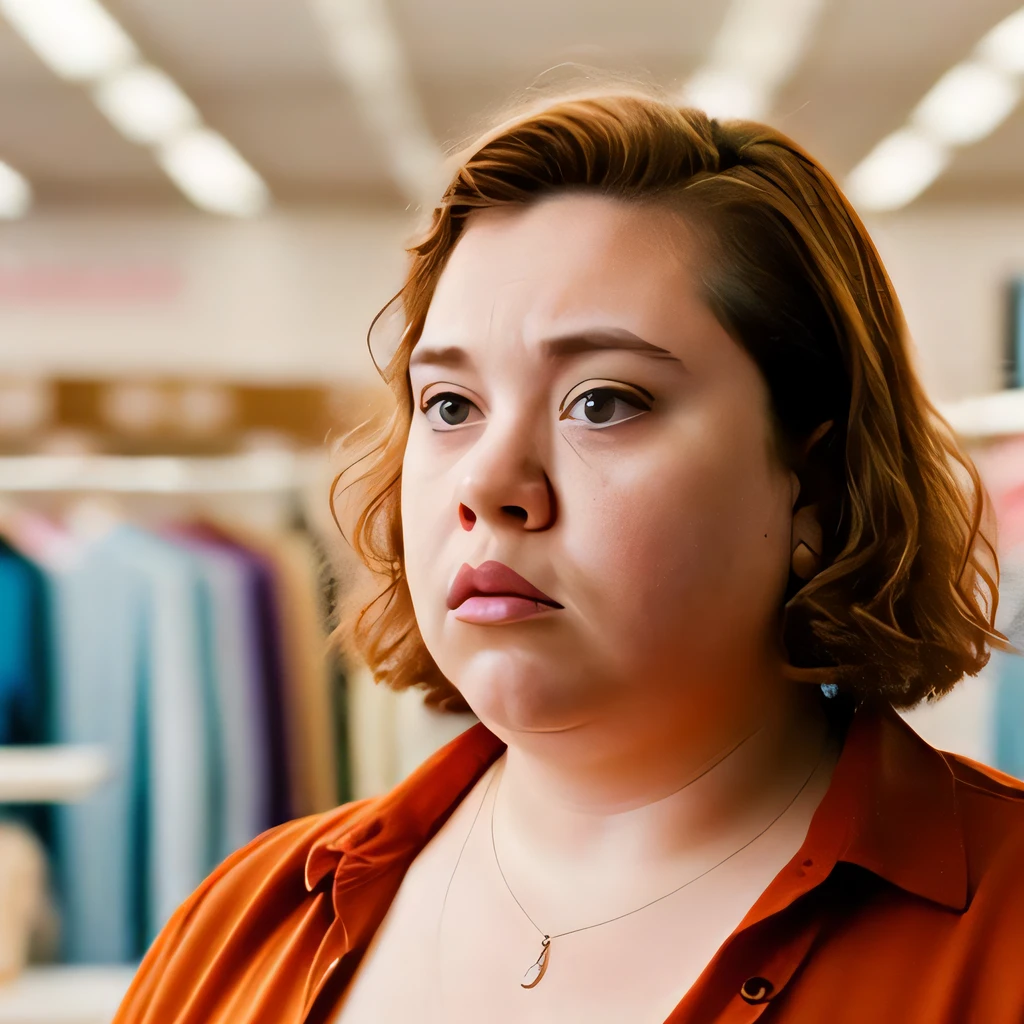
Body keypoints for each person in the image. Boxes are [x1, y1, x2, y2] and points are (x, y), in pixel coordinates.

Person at [113, 86, 1024, 1024]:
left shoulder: (1004, 934)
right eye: (450, 406)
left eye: (603, 401)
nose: (486, 482)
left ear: (817, 480)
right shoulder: (241, 928)